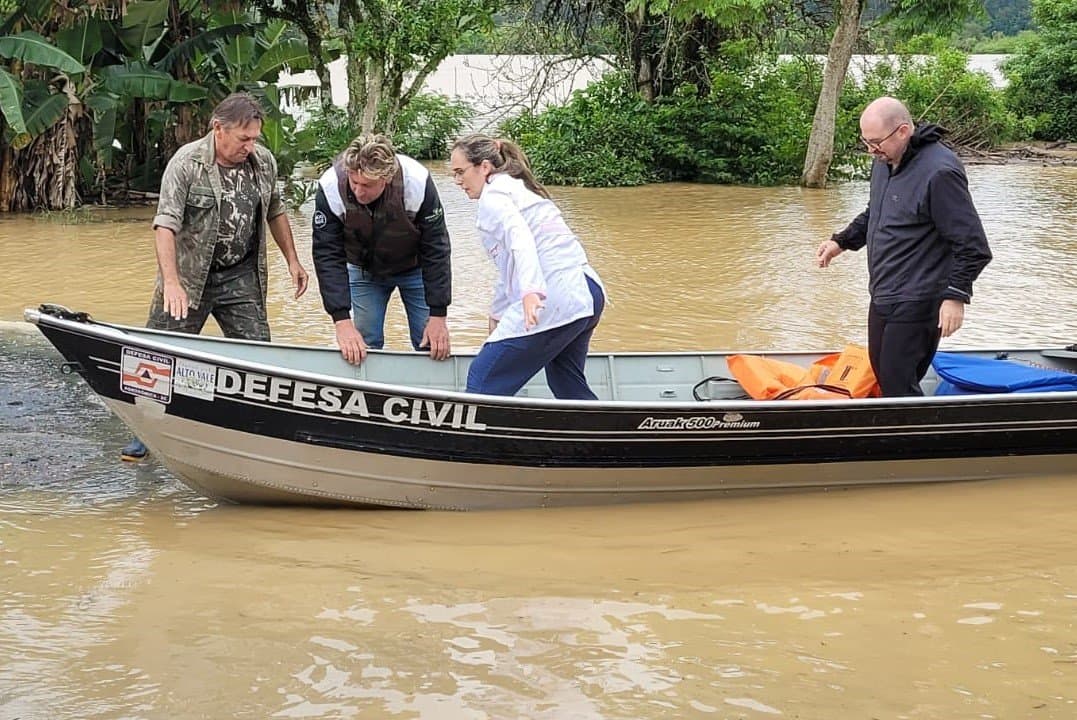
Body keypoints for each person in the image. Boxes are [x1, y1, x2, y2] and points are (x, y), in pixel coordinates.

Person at [121, 92, 309, 461]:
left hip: (240, 274)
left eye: (255, 138)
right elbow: (165, 225)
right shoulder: (187, 163)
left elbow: (275, 210)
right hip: (189, 276)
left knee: (258, 357)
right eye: (244, 138)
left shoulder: (263, 162)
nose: (250, 146)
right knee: (157, 355)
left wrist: (293, 261)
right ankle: (144, 434)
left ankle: (258, 432)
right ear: (218, 129)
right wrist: (172, 282)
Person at [816, 96, 993, 397]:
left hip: (920, 298)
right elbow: (877, 213)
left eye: (876, 142)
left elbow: (973, 245)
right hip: (884, 292)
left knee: (898, 382)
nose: (871, 150)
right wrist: (841, 241)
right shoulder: (885, 162)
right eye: (866, 142)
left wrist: (956, 296)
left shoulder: (940, 173)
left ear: (902, 131)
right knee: (883, 373)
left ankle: (916, 442)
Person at [449, 134, 606, 399]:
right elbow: (508, 264)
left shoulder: (494, 196)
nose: (457, 181)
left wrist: (531, 291)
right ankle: (602, 437)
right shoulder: (516, 188)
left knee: (482, 379)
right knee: (566, 382)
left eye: (460, 172)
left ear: (484, 167)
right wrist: (497, 315)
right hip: (588, 291)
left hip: (554, 295)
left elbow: (520, 237)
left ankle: (478, 440)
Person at [311, 134, 452, 366]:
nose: (358, 191)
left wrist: (439, 314)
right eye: (354, 182)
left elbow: (436, 248)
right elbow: (327, 255)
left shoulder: (415, 181)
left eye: (367, 185)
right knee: (362, 345)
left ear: (385, 178)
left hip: (416, 269)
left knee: (431, 344)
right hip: (363, 270)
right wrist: (341, 321)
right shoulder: (330, 186)